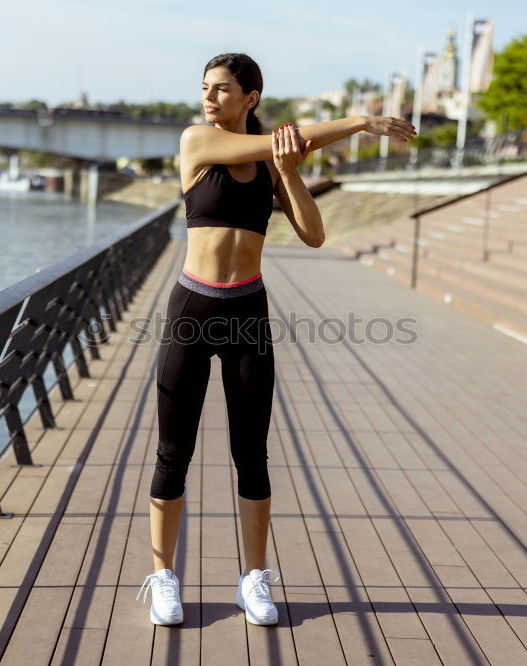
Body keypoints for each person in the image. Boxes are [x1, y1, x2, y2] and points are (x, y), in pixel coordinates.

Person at [137, 52, 417, 627]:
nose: (209, 98)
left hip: (247, 312)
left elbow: (313, 235)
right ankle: (164, 576)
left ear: (251, 98)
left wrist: (290, 170)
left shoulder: (271, 164)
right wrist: (361, 124)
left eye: (222, 90)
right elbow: (278, 142)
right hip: (193, 307)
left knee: (252, 454)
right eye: (206, 88)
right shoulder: (198, 143)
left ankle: (253, 580)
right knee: (173, 452)